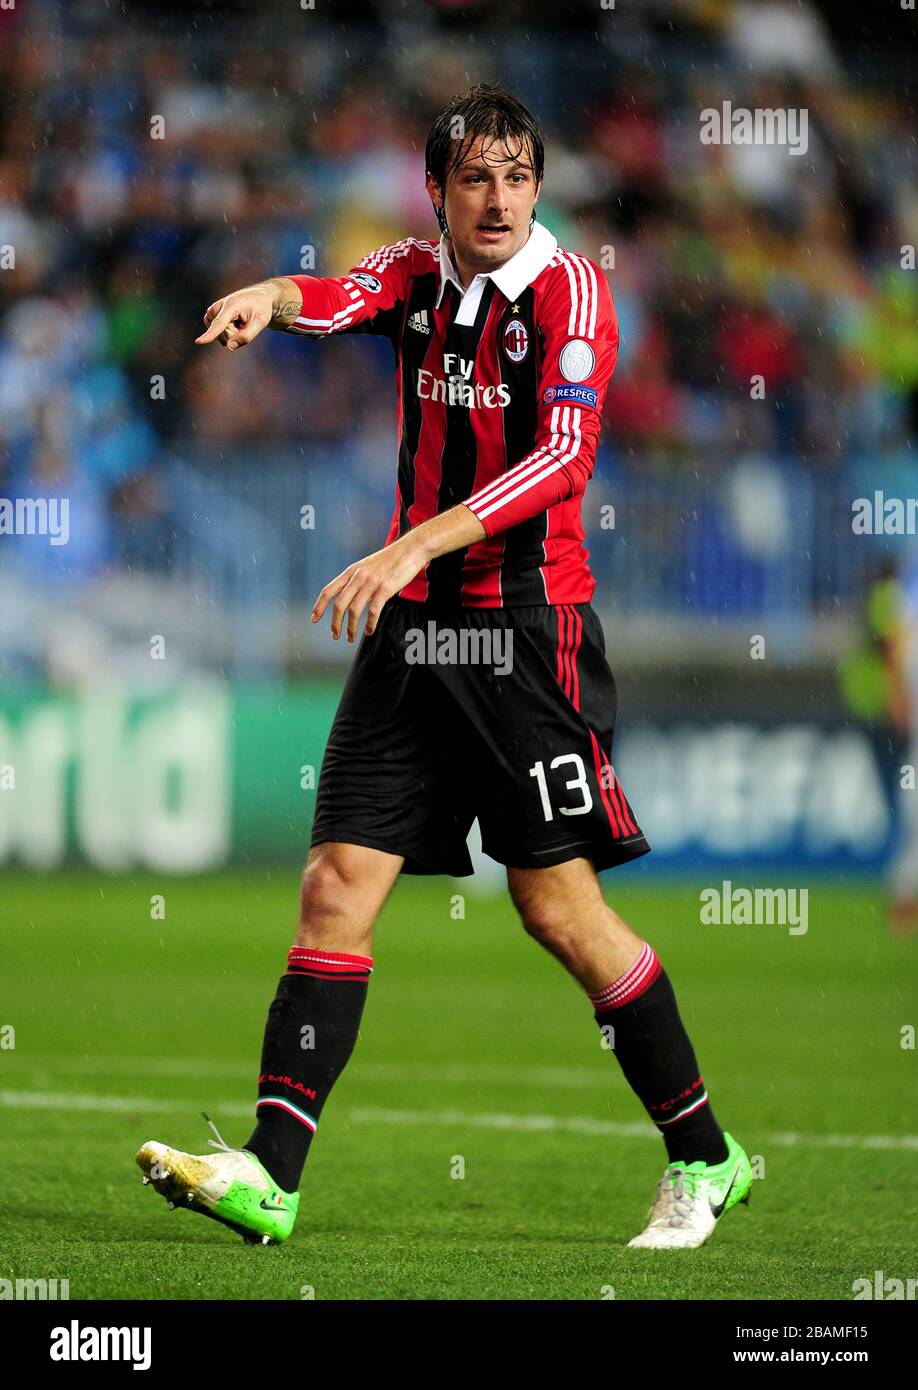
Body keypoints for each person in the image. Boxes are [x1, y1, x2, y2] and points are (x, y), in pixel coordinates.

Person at [137, 84, 752, 1251]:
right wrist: (273, 295)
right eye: (476, 176)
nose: (500, 197)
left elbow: (562, 460)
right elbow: (342, 291)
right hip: (412, 628)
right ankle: (272, 1172)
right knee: (335, 884)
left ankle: (707, 1157)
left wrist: (413, 540)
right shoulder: (421, 274)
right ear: (439, 191)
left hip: (526, 631)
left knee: (557, 907)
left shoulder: (570, 296)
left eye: (519, 174)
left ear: (539, 185)